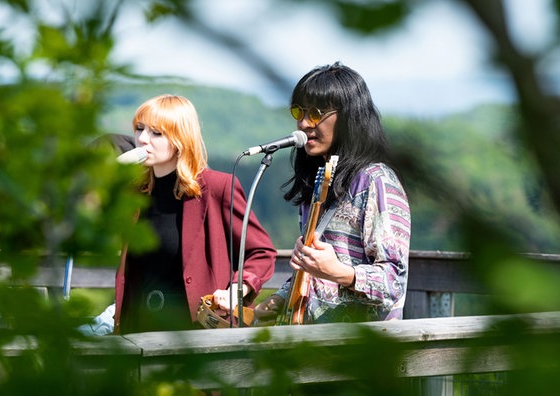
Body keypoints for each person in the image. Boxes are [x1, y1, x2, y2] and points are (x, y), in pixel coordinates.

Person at [254, 62, 411, 325]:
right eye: (299, 111)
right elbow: (317, 273)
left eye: (315, 113)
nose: (304, 123)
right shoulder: (319, 179)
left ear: (349, 117)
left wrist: (340, 272)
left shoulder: (377, 181)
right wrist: (282, 296)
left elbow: (394, 282)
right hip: (313, 351)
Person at [113, 94, 276, 334]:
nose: (142, 139)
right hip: (139, 330)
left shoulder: (217, 188)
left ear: (180, 139)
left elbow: (261, 252)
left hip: (195, 332)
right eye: (139, 129)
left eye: (156, 133)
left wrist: (236, 291)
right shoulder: (134, 193)